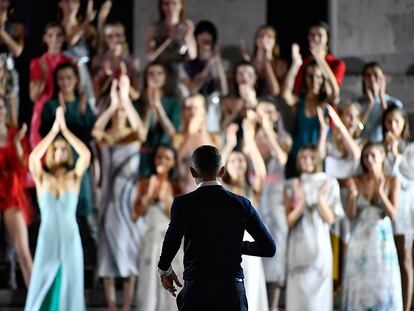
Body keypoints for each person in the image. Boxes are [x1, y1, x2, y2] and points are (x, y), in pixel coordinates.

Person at [157, 145, 276, 311]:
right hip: (232, 292)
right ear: (222, 171)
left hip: (196, 291)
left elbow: (172, 240)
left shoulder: (183, 204)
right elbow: (269, 248)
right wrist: (237, 245)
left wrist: (164, 269)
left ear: (193, 172)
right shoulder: (241, 204)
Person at [25, 106, 90, 310]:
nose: (60, 151)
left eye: (64, 149)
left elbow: (85, 154)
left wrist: (66, 132)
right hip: (48, 235)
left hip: (70, 235)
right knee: (42, 279)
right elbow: (34, 159)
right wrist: (53, 132)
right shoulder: (43, 178)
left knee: (71, 281)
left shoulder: (74, 178)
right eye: (57, 148)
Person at [93, 75, 147, 311]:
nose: (119, 116)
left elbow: (141, 130)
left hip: (129, 199)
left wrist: (125, 101)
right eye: (117, 114)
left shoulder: (134, 137)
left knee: (129, 248)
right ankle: (111, 305)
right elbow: (96, 130)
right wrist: (113, 105)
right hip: (110, 200)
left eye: (122, 113)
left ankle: (126, 305)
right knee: (107, 249)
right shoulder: (106, 138)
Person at [341, 142, 403, 310]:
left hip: (381, 241)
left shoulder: (392, 180)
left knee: (383, 283)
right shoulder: (356, 180)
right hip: (359, 240)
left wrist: (382, 194)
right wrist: (352, 197)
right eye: (365, 155)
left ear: (382, 156)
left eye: (373, 155)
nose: (368, 159)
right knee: (359, 286)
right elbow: (351, 215)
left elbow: (393, 214)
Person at [284, 145, 344, 311]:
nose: (307, 161)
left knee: (319, 301)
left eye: (311, 157)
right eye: (303, 157)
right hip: (298, 245)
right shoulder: (292, 184)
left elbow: (330, 218)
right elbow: (289, 221)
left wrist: (318, 198)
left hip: (320, 244)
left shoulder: (329, 182)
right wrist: (301, 201)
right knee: (298, 299)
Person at [133, 144, 182, 311]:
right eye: (159, 157)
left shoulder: (176, 186)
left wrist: (165, 201)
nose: (162, 161)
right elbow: (134, 215)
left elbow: (180, 219)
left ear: (173, 162)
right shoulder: (144, 182)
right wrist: (148, 196)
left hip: (170, 238)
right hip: (151, 236)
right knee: (149, 280)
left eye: (167, 158)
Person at [282, 43, 339, 178]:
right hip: (297, 158)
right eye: (310, 76)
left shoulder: (325, 102)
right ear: (305, 78)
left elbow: (335, 89)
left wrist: (321, 60)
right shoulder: (300, 102)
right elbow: (285, 94)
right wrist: (296, 64)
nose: (314, 80)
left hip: (318, 159)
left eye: (318, 77)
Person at [381, 105, 412, 311]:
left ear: (403, 125)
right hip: (386, 208)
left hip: (406, 209)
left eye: (396, 122)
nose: (392, 126)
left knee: (405, 259)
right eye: (389, 121)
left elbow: (410, 175)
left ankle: (408, 306)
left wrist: (395, 154)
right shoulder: (379, 148)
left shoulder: (410, 148)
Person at [0, 97, 32, 287]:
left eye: (1, 106)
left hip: (11, 192)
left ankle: (38, 303)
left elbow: (23, 167)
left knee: (23, 251)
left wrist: (18, 142)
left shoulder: (15, 134)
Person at [29, 22, 73, 148]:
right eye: (50, 35)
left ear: (64, 38)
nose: (55, 39)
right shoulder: (37, 63)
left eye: (59, 35)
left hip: (64, 107)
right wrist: (44, 73)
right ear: (45, 38)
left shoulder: (69, 62)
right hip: (42, 110)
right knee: (40, 147)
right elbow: (34, 96)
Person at [135, 61, 181, 177]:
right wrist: (149, 108)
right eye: (151, 74)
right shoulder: (137, 103)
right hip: (143, 157)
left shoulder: (173, 102)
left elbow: (172, 132)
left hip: (164, 156)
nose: (155, 77)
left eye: (159, 73)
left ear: (165, 77)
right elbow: (141, 135)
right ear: (146, 77)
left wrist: (158, 107)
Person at [173, 94, 221, 194]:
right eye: (188, 108)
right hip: (186, 191)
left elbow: (217, 161)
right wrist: (190, 134)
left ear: (204, 111)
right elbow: (177, 160)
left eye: (195, 108)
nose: (191, 111)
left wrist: (202, 130)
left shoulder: (214, 137)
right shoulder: (178, 137)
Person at [293, 21, 346, 94]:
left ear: (327, 39)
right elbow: (296, 89)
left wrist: (319, 59)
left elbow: (334, 91)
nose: (315, 38)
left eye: (320, 35)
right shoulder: (304, 62)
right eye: (312, 35)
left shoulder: (338, 64)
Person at [359, 62, 403, 142]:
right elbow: (358, 127)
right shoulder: (358, 104)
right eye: (368, 76)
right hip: (363, 145)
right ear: (364, 79)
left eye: (376, 75)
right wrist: (370, 104)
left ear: (383, 78)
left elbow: (391, 126)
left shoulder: (394, 103)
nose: (372, 78)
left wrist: (381, 97)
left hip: (385, 144)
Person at [241, 25, 287, 97]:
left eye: (269, 36)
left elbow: (275, 91)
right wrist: (248, 64)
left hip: (273, 102)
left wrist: (266, 61)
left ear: (274, 42)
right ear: (256, 40)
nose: (264, 39)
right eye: (261, 35)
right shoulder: (249, 62)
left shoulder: (280, 64)